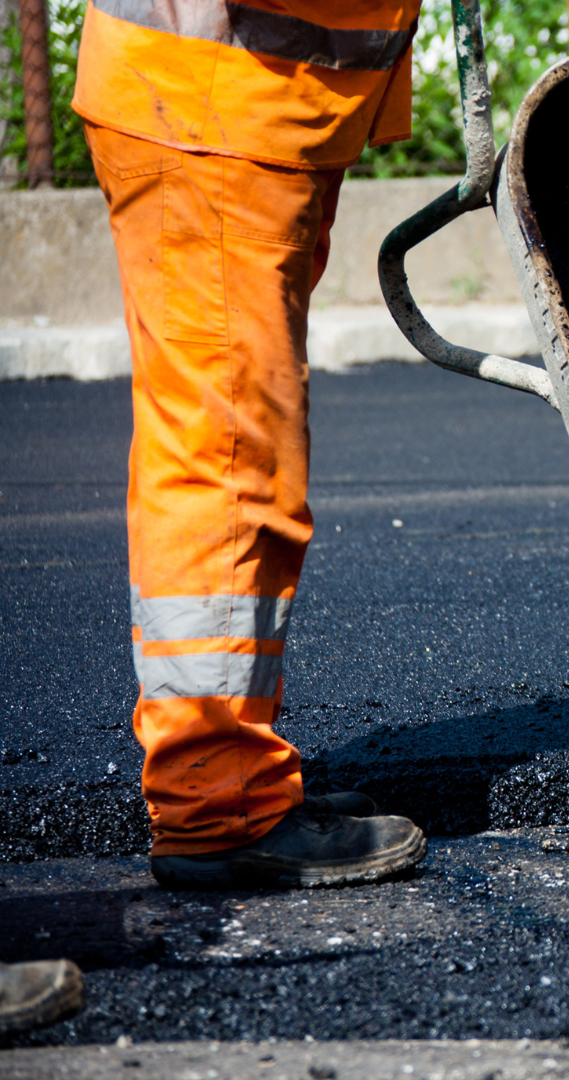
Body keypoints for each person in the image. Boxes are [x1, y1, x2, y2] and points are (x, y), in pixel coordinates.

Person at [71, 0, 429, 889]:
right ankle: (220, 800)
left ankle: (232, 772)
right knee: (229, 457)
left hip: (253, 108)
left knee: (234, 440)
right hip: (215, 103)